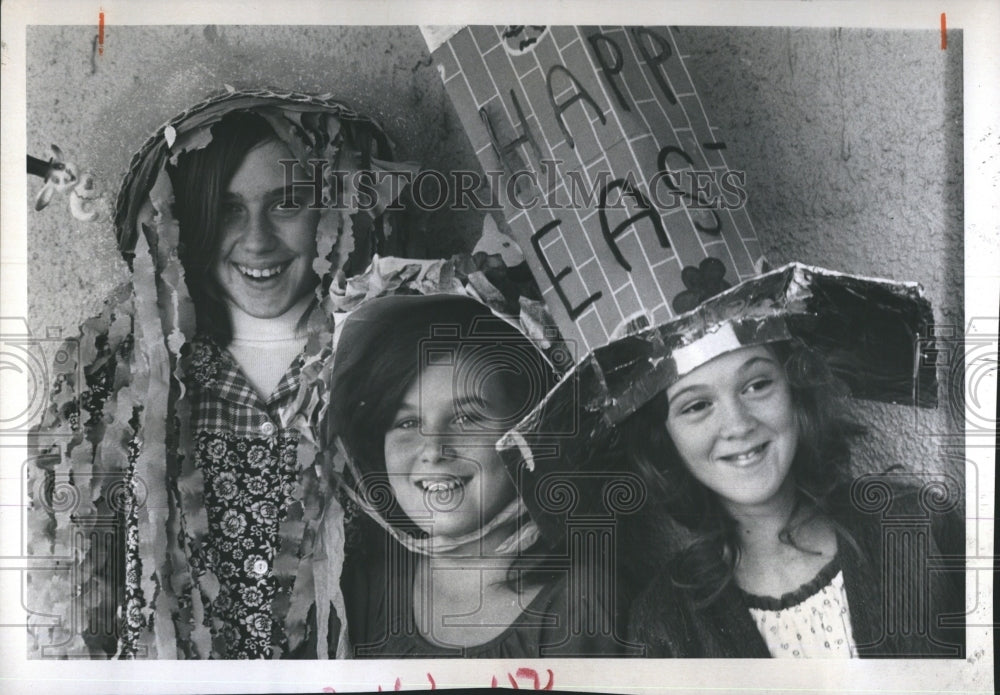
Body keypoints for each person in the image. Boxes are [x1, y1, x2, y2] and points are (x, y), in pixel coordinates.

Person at [28, 90, 414, 659]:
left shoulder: (388, 351)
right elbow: (66, 580)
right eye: (229, 208)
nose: (256, 239)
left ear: (331, 210)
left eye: (287, 203)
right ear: (193, 217)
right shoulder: (120, 365)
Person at [329, 293, 631, 657]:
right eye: (407, 422)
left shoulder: (580, 604)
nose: (433, 449)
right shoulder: (357, 592)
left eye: (466, 418)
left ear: (532, 431)